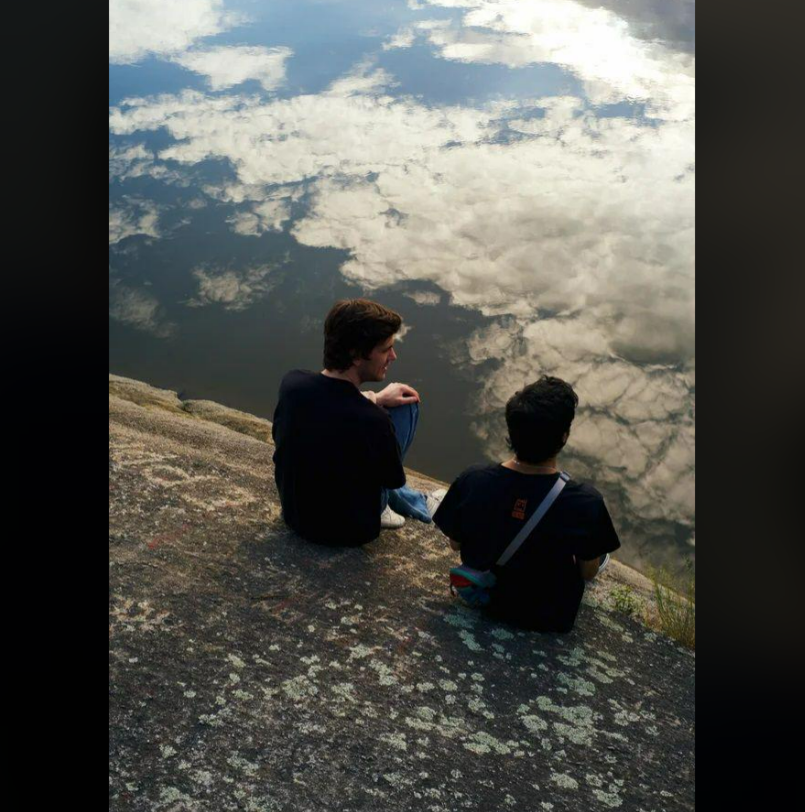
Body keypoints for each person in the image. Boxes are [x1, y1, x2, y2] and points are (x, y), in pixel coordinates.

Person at [433, 376, 620, 632]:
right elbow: (588, 573)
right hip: (550, 617)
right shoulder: (585, 502)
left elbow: (456, 544)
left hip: (485, 600)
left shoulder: (473, 480)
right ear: (564, 437)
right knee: (594, 553)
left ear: (511, 430)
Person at [272, 298, 440, 546]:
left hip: (295, 517)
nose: (393, 356)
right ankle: (411, 504)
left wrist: (376, 398)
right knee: (408, 406)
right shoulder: (373, 420)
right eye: (385, 349)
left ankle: (416, 501)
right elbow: (393, 480)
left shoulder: (292, 385)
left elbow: (333, 405)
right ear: (357, 355)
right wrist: (376, 407)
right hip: (351, 531)